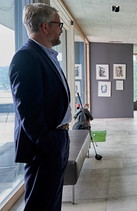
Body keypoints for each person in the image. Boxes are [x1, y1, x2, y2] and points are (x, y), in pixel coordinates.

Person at [9, 3, 71, 210]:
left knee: (52, 201)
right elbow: (29, 114)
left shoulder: (46, 55)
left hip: (59, 138)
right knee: (40, 204)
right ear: (45, 27)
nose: (60, 28)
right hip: (45, 146)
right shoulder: (26, 57)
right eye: (58, 24)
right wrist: (50, 144)